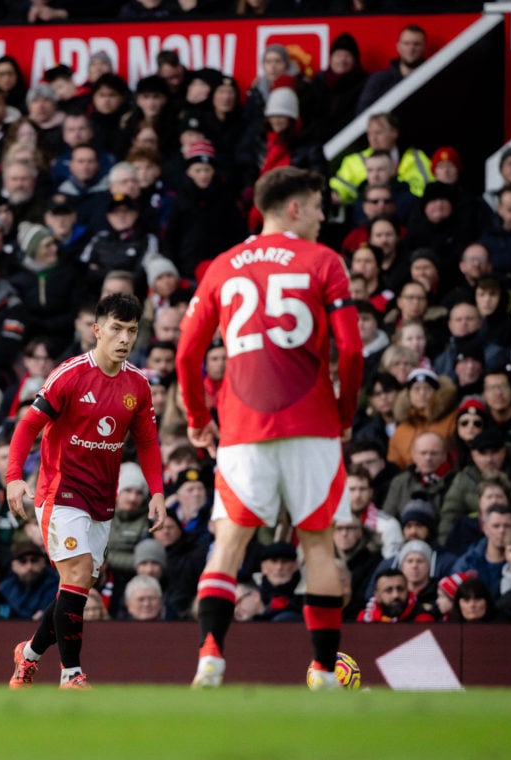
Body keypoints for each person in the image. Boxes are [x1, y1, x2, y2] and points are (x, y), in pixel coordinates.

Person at [174, 167, 364, 689]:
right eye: (319, 205)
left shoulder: (222, 265)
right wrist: (344, 413)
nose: (325, 216)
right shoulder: (324, 261)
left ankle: (210, 653)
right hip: (313, 423)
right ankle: (325, 672)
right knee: (318, 546)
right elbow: (349, 348)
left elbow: (187, 354)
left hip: (242, 426)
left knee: (229, 542)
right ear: (295, 208)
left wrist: (197, 421)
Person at [6, 292, 166, 690]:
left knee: (74, 588)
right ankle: (71, 675)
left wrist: (158, 492)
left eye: (132, 330)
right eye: (116, 329)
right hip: (60, 491)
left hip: (101, 499)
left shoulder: (138, 385)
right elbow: (27, 426)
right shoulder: (70, 375)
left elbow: (146, 443)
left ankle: (27, 655)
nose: (124, 338)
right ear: (97, 330)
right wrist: (13, 477)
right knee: (76, 574)